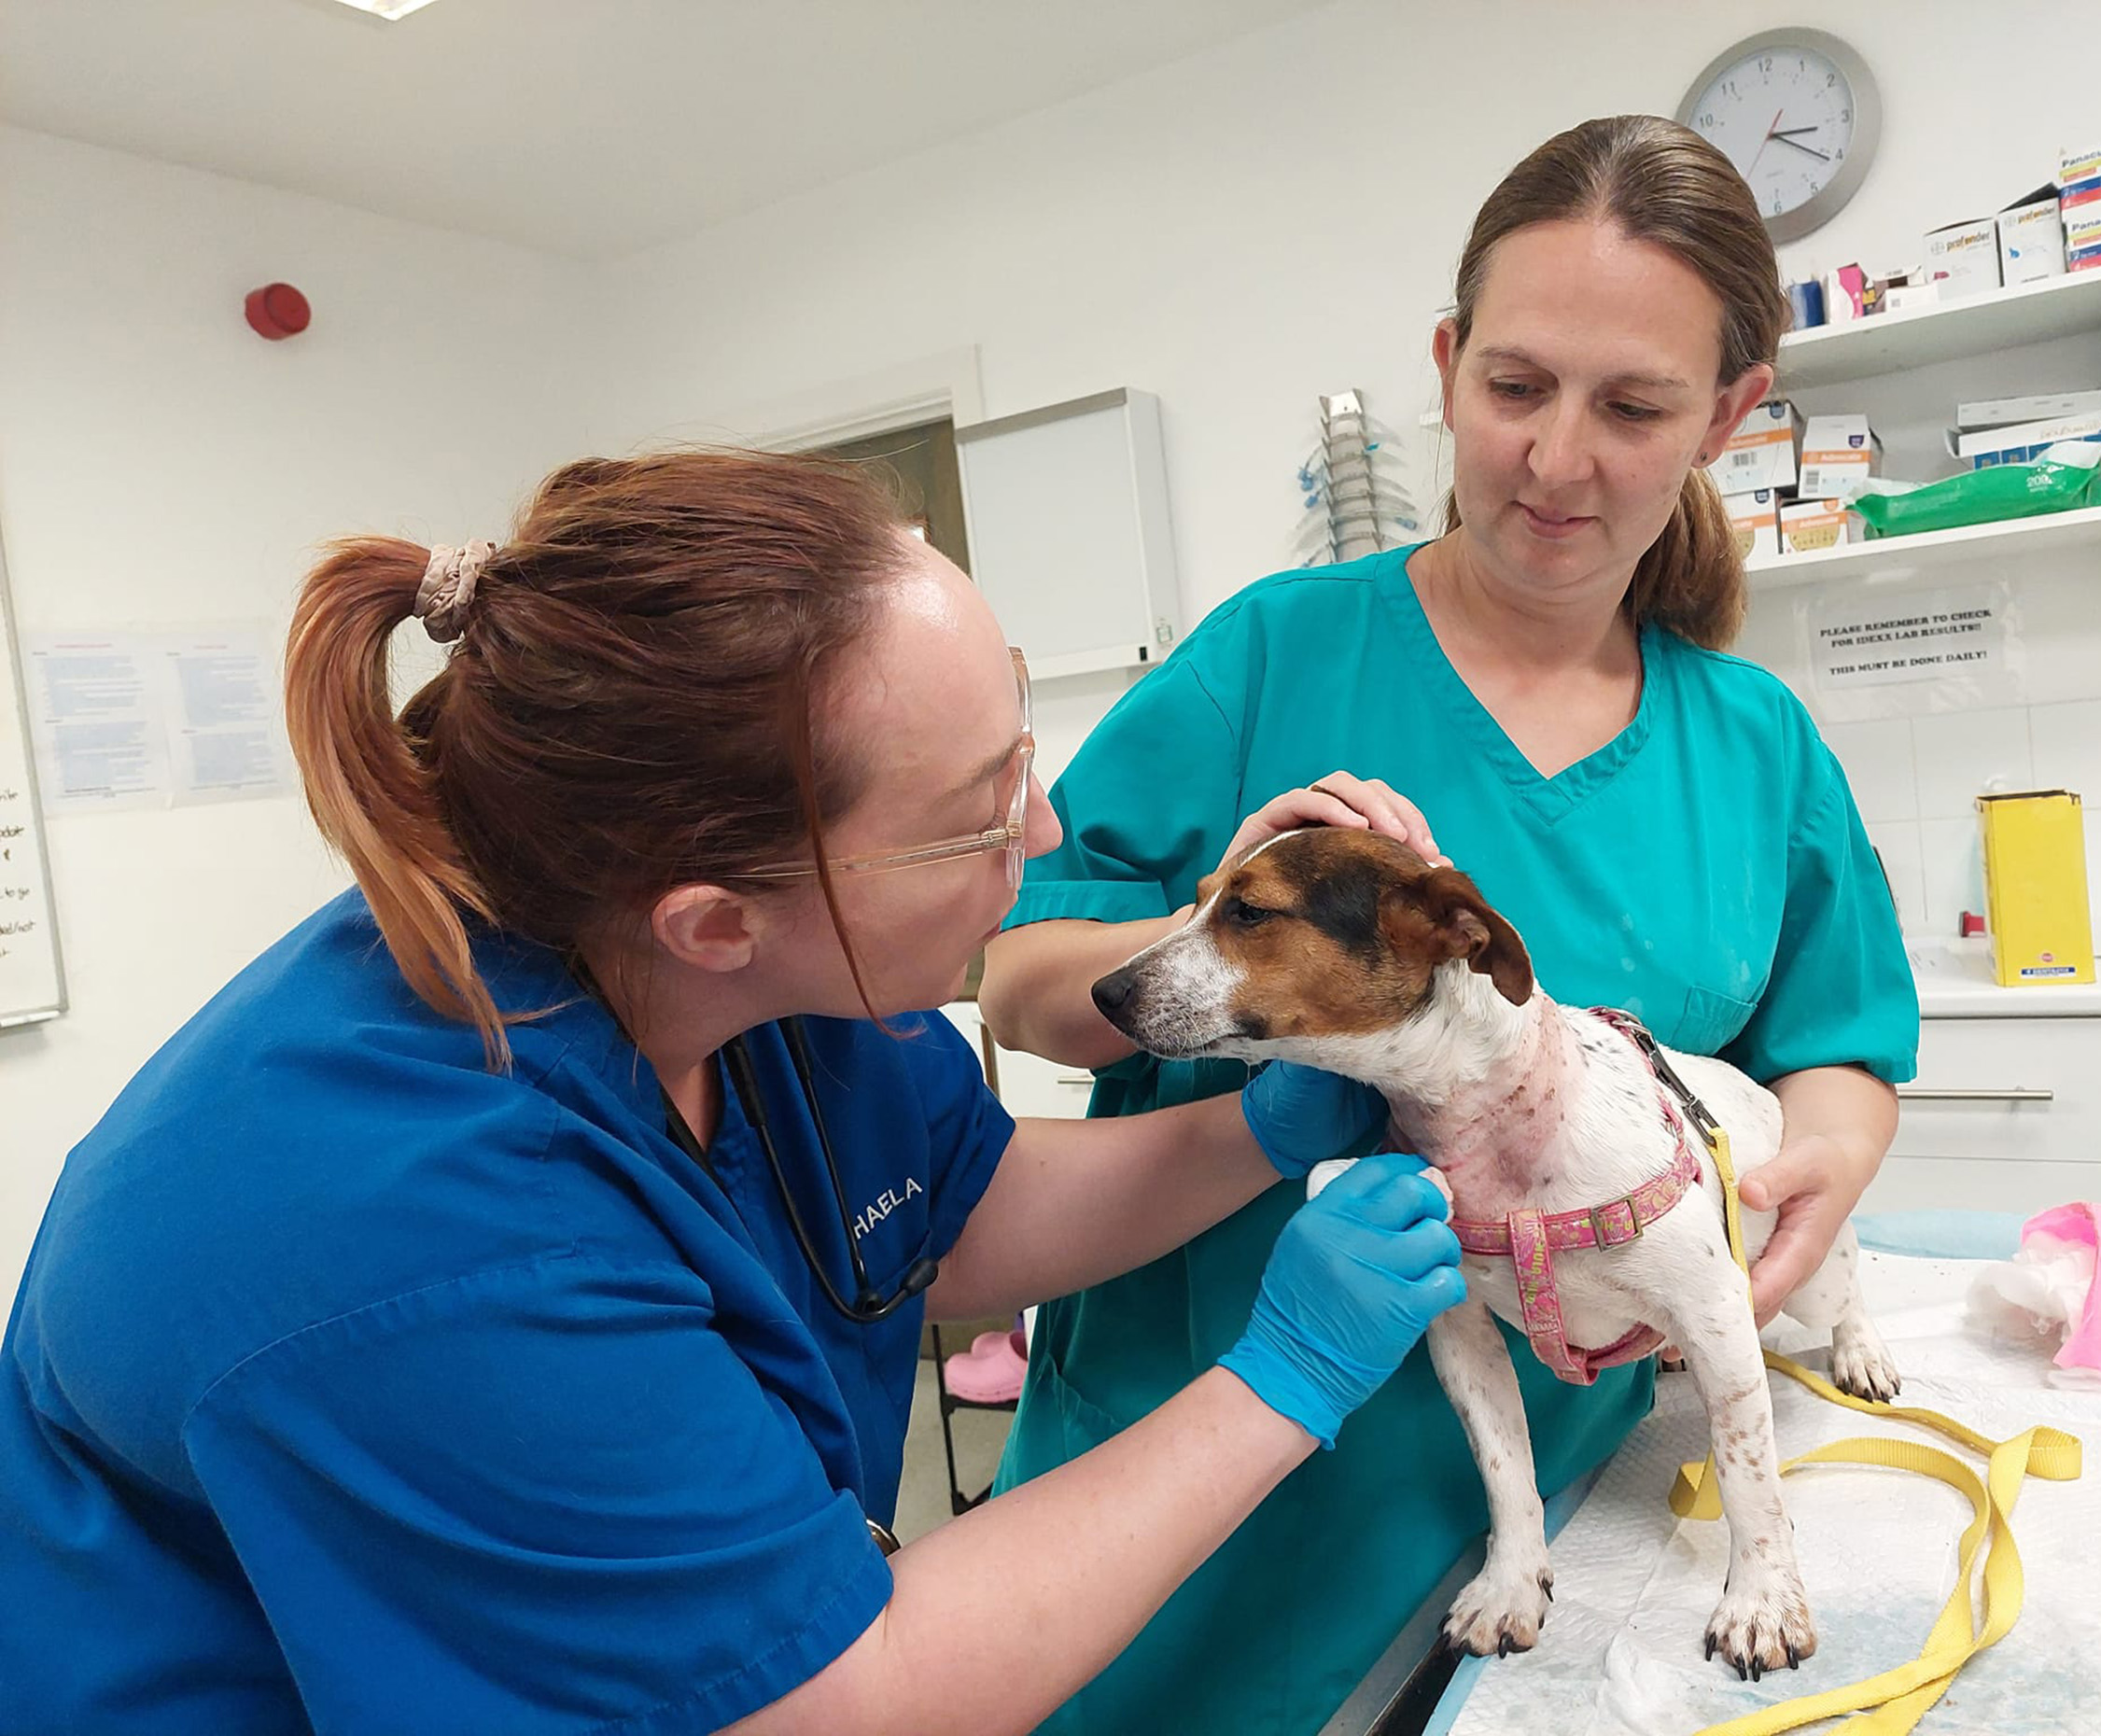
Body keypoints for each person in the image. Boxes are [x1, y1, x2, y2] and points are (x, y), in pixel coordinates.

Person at [0, 452, 1470, 1735]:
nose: (1044, 822)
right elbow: (843, 1698)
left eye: (1019, 743)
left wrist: (1262, 1126)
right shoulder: (429, 1240)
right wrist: (1285, 1377)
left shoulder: (759, 977)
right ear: (714, 917)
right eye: (979, 810)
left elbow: (948, 1212)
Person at [978, 114, 1922, 1735]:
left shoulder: (1754, 744)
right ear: (1446, 363)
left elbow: (1833, 1052)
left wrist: (1811, 1182)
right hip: (1205, 1481)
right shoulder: (1270, 656)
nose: (1560, 460)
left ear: (1731, 415)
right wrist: (1218, 924)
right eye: (1515, 388)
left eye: (1633, 407)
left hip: (1549, 1507)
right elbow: (1018, 978)